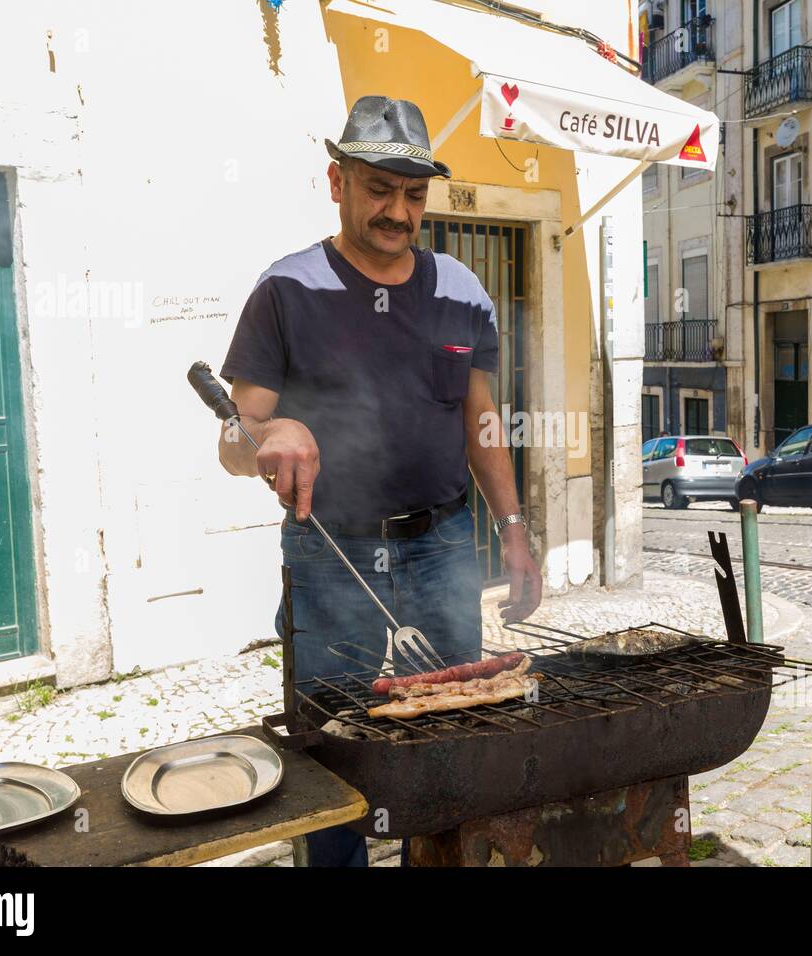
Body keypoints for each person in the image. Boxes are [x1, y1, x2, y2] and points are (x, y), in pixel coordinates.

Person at [216, 96, 542, 866]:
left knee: (451, 735)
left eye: (414, 193)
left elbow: (482, 422)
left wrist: (515, 532)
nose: (398, 211)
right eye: (378, 189)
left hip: (440, 546)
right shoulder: (285, 289)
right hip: (330, 554)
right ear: (337, 181)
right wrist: (270, 431)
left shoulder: (462, 290)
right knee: (336, 753)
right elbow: (231, 440)